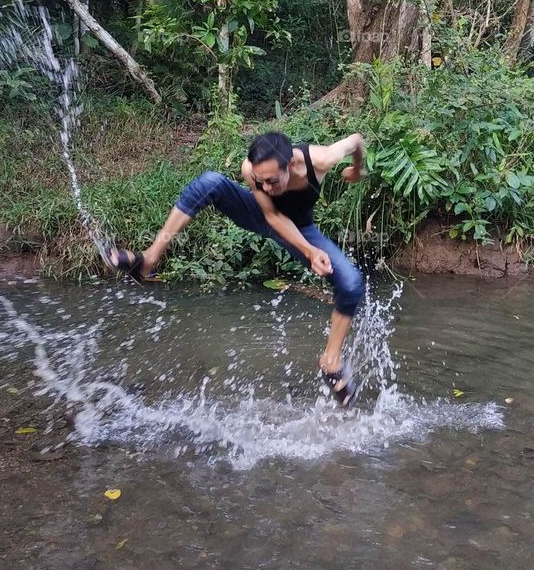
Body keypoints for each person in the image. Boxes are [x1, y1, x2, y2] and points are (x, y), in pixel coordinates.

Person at [109, 130, 367, 406]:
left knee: (351, 284)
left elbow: (356, 140)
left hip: (302, 229)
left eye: (272, 181)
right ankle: (148, 259)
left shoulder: (322, 159)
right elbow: (271, 216)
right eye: (260, 181)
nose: (266, 187)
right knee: (210, 182)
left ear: (290, 165)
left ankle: (331, 361)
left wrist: (357, 168)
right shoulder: (251, 169)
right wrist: (310, 251)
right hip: (262, 215)